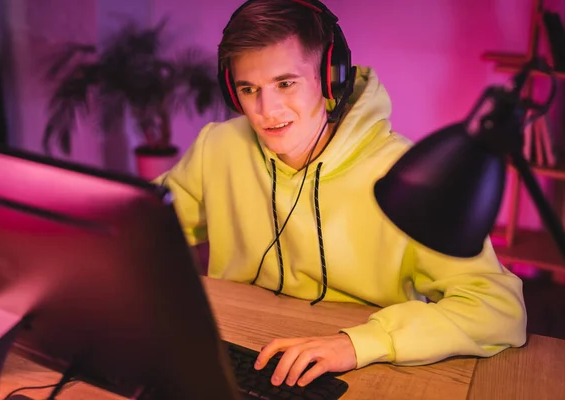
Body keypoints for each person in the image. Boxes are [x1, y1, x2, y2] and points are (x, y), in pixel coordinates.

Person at [153, 0, 527, 389]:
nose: (267, 110)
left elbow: (499, 308)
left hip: (363, 371)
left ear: (332, 77)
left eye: (285, 83)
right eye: (250, 89)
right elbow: (142, 226)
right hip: (240, 347)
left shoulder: (407, 173)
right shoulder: (219, 147)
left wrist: (361, 342)